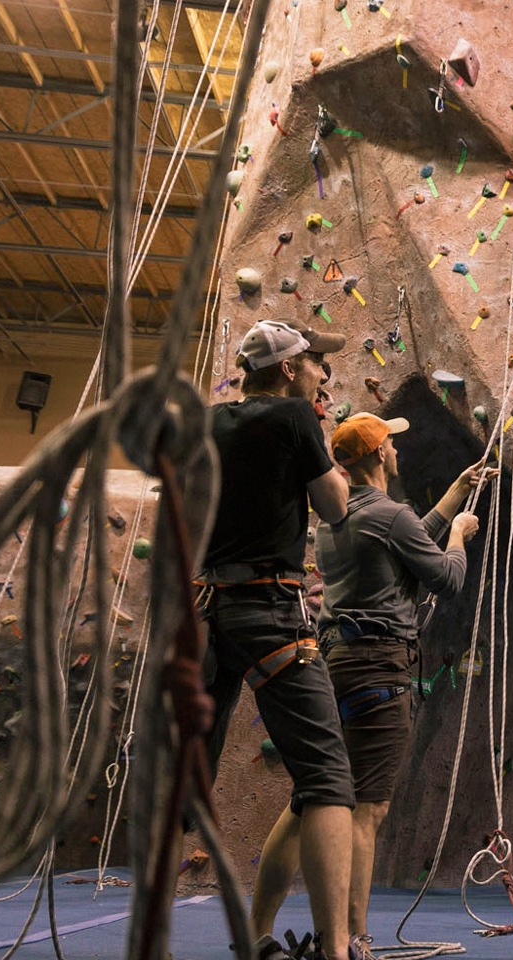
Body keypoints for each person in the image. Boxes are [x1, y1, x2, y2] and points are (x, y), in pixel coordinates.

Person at [247, 413, 488, 960]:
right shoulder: (389, 514)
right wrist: (458, 535)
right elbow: (445, 578)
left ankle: (257, 930)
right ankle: (353, 941)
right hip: (380, 668)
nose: (398, 451)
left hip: (335, 663)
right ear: (380, 455)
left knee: (310, 800)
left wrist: (453, 495)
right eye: (393, 444)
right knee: (366, 809)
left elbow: (399, 541)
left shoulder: (336, 519)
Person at [200, 319, 355, 960]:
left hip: (209, 611)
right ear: (289, 369)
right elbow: (336, 505)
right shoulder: (295, 417)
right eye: (316, 363)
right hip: (271, 609)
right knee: (325, 779)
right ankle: (336, 951)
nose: (324, 373)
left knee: (188, 777)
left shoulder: (208, 423)